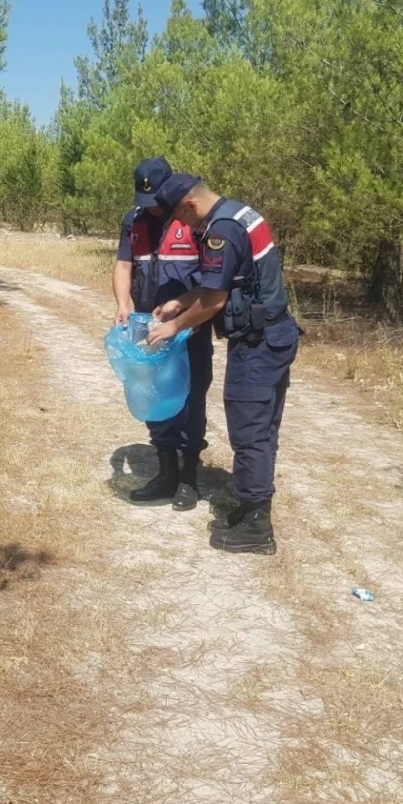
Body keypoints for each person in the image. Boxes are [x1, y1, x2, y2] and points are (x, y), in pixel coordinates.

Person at [144, 174, 300, 555]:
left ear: (190, 205)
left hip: (257, 344)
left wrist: (173, 326)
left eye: (181, 219)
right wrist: (181, 301)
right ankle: (251, 509)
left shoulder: (221, 231)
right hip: (275, 335)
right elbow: (223, 284)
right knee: (263, 429)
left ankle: (257, 526)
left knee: (250, 431)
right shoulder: (238, 214)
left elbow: (215, 300)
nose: (183, 227)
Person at [114, 157, 214, 510]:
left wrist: (188, 318)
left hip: (189, 330)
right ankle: (166, 473)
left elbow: (213, 280)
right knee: (154, 398)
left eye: (157, 201)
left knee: (190, 400)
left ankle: (188, 480)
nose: (152, 209)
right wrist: (122, 304)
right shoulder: (134, 221)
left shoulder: (194, 222)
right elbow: (123, 265)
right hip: (148, 331)